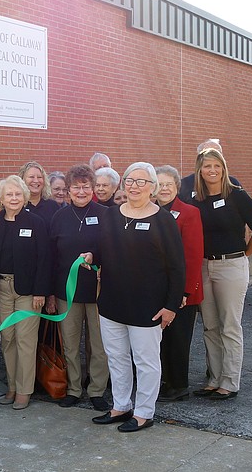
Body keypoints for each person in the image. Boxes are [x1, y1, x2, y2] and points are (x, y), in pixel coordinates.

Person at [86, 162, 185, 433]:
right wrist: (92, 256)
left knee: (146, 361)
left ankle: (144, 412)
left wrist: (171, 305)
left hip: (148, 307)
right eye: (130, 180)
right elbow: (103, 249)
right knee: (116, 357)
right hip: (112, 303)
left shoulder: (163, 219)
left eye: (142, 182)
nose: (134, 186)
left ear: (152, 188)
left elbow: (177, 266)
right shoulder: (111, 215)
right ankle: (121, 406)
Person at [190, 148, 252, 400]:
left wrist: (244, 255)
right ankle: (214, 379)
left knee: (229, 326)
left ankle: (229, 382)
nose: (212, 170)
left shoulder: (237, 195)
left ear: (223, 168)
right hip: (204, 266)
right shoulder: (196, 199)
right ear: (199, 171)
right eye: (206, 166)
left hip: (231, 266)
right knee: (210, 326)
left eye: (216, 166)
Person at [0, 175, 51, 410]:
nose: (14, 198)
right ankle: (11, 386)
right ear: (1, 198)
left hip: (28, 292)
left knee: (25, 340)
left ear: (24, 197)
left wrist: (41, 291)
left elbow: (44, 260)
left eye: (18, 194)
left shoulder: (36, 223)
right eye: (9, 194)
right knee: (8, 338)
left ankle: (24, 390)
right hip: (1, 289)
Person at [48, 165, 109, 410]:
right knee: (71, 344)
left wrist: (96, 257)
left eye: (86, 187)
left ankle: (96, 390)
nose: (81, 192)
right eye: (76, 187)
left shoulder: (105, 215)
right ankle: (73, 388)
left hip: (97, 292)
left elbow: (112, 250)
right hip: (67, 293)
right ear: (68, 190)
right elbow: (51, 258)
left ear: (93, 189)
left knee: (99, 345)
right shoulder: (58, 217)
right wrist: (51, 293)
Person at [154, 165, 204, 402]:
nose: (164, 189)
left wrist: (185, 291)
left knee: (178, 339)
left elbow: (193, 256)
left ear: (177, 187)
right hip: (158, 289)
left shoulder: (189, 212)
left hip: (183, 291)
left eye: (168, 184)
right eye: (160, 184)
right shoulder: (151, 211)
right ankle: (166, 381)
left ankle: (179, 385)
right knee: (162, 338)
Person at [19, 161, 60, 226]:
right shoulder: (17, 206)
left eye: (39, 177)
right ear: (22, 180)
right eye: (31, 177)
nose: (36, 181)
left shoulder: (53, 206)